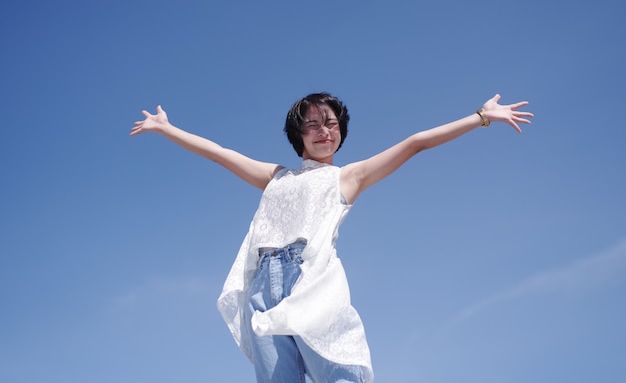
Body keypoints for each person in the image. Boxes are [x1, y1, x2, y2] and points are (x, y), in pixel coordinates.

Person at [130, 92, 533, 383]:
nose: (324, 131)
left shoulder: (348, 176)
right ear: (298, 134)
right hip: (262, 290)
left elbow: (414, 144)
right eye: (313, 124)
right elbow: (218, 152)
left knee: (340, 371)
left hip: (310, 279)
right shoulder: (276, 176)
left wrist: (479, 116)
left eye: (332, 124)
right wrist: (167, 129)